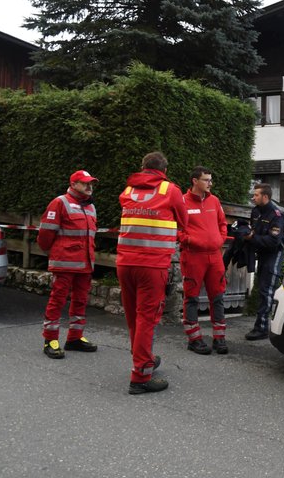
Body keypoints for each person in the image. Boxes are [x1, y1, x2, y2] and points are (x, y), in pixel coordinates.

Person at [117, 152, 188, 394]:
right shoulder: (170, 190)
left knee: (133, 317)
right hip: (152, 265)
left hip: (125, 263)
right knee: (147, 318)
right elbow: (184, 221)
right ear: (164, 171)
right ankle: (140, 377)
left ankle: (143, 358)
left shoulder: (128, 191)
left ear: (143, 167)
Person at [37, 170, 100, 359]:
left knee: (81, 301)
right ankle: (50, 340)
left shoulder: (90, 207)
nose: (89, 187)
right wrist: (54, 253)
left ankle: (75, 338)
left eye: (91, 184)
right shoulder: (60, 202)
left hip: (85, 264)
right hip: (64, 263)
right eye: (84, 183)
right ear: (73, 184)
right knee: (57, 301)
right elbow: (45, 235)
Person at [179, 166, 228, 355]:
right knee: (191, 297)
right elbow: (176, 229)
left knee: (218, 297)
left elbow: (223, 224)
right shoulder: (182, 202)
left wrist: (220, 239)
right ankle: (194, 339)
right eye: (206, 180)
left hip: (215, 256)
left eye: (210, 179)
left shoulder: (214, 201)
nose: (210, 183)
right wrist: (190, 241)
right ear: (195, 181)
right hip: (193, 256)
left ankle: (219, 338)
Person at [244, 183, 284, 341]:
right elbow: (253, 230)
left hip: (273, 255)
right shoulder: (255, 211)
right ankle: (262, 325)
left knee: (267, 291)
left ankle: (261, 329)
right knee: (262, 290)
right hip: (261, 254)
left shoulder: (276, 215)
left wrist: (252, 238)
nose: (253, 197)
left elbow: (273, 241)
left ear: (265, 197)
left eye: (256, 195)